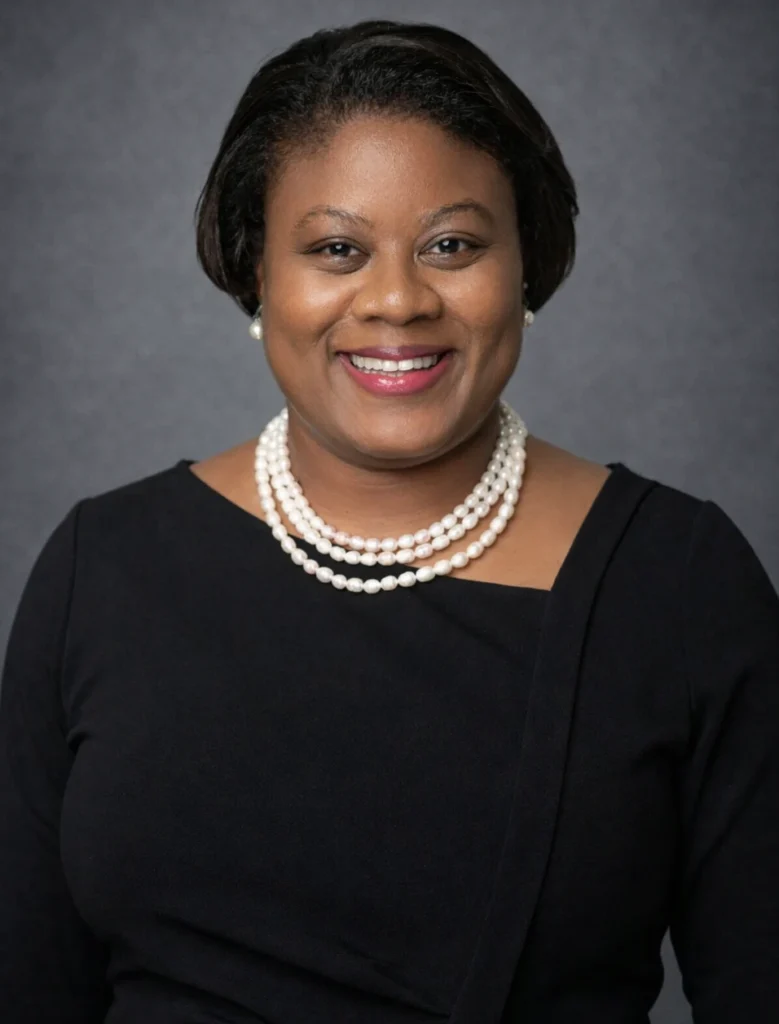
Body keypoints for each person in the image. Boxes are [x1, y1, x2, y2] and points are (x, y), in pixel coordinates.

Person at [1, 17, 777, 1024]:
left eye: (452, 245)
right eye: (336, 249)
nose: (398, 300)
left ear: (526, 265)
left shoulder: (678, 583)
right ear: (256, 272)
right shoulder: (100, 571)